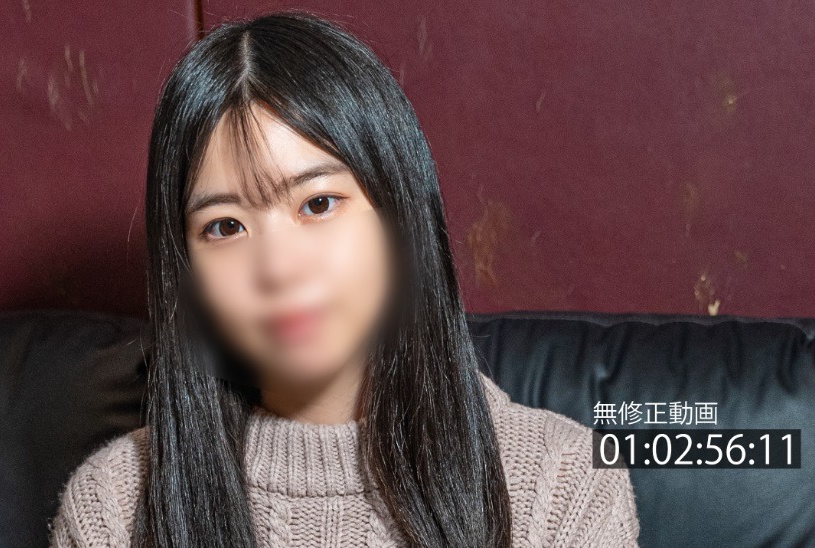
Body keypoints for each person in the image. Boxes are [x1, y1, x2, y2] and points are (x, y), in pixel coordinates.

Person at [49, 11, 640, 547]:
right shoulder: (113, 509)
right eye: (225, 226)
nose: (277, 269)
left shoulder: (562, 487)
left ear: (399, 216)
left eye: (318, 204)